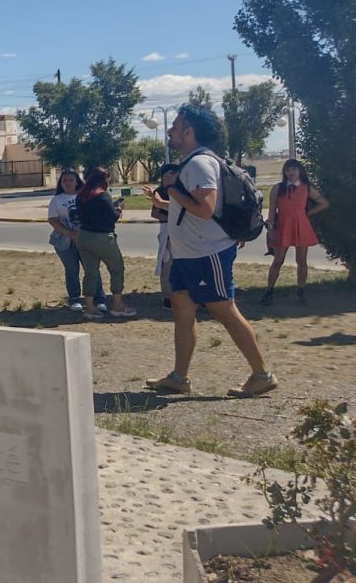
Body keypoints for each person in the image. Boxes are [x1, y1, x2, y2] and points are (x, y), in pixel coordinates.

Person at [145, 105, 278, 398]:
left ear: (189, 132)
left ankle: (262, 375)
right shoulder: (192, 162)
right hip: (187, 254)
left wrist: (171, 187)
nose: (170, 130)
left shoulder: (199, 164)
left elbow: (205, 209)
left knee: (224, 310)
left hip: (207, 254)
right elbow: (189, 208)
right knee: (182, 310)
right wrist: (168, 199)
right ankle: (179, 377)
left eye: (176, 126)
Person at [261, 159, 330, 305]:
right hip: (282, 226)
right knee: (277, 261)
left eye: (294, 169)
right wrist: (271, 227)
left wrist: (308, 213)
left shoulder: (307, 188)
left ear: (300, 171)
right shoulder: (278, 188)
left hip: (301, 226)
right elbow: (272, 210)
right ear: (284, 172)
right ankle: (269, 291)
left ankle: (301, 291)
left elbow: (323, 203)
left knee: (301, 261)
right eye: (288, 169)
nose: (291, 172)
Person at [73, 168, 136, 319]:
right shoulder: (103, 195)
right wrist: (119, 209)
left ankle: (89, 307)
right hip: (102, 238)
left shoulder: (81, 196)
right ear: (104, 180)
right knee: (116, 269)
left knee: (90, 273)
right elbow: (111, 217)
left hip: (83, 236)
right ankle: (117, 305)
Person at [47, 169, 107, 313]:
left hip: (87, 238)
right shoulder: (57, 200)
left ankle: (99, 299)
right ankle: (74, 299)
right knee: (72, 270)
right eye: (64, 180)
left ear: (77, 181)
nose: (67, 183)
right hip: (66, 241)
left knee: (91, 269)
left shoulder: (86, 196)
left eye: (71, 180)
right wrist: (69, 233)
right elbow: (53, 220)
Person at [144, 165, 180, 309]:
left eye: (174, 174)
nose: (171, 177)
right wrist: (171, 214)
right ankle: (167, 296)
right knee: (167, 262)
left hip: (183, 230)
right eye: (168, 174)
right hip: (167, 229)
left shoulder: (182, 190)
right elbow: (155, 213)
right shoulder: (160, 191)